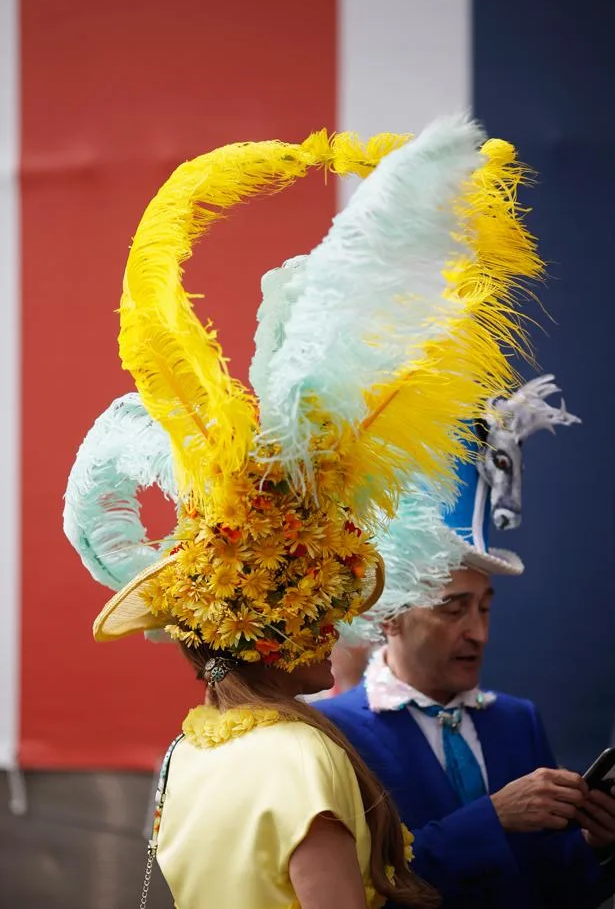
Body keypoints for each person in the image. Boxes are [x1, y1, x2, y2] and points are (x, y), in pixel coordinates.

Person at [64, 116, 543, 908]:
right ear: (279, 624)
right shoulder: (300, 755)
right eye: (324, 603)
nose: (341, 627)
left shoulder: (192, 747)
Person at [317, 381, 615, 908]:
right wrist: (494, 817)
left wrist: (596, 844)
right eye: (453, 609)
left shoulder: (517, 721)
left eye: (485, 607)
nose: (478, 632)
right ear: (389, 617)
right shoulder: (335, 735)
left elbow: (553, 889)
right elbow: (363, 885)